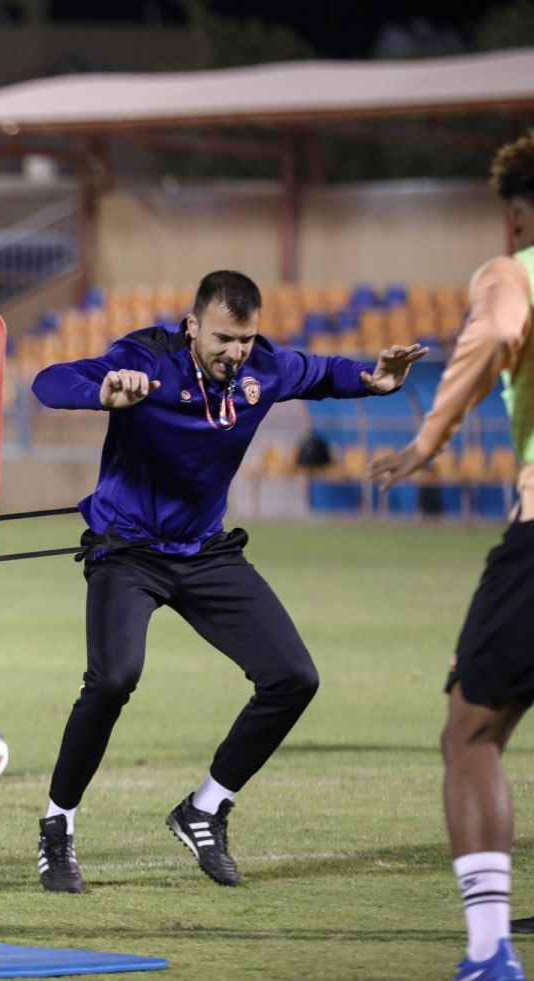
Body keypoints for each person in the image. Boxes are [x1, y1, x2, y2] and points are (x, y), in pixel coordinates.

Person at [31, 270, 426, 893]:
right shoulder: (147, 357)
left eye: (244, 340)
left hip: (207, 554)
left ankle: (205, 807)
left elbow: (321, 373)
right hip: (128, 550)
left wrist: (374, 381)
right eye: (222, 339)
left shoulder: (263, 368)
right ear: (192, 326)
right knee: (113, 679)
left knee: (294, 678)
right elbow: (49, 381)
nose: (235, 353)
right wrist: (104, 390)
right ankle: (57, 828)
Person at [370, 131, 534, 981]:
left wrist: (429, 438)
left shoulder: (513, 269)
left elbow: (495, 333)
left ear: (514, 216)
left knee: (472, 731)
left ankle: (487, 952)